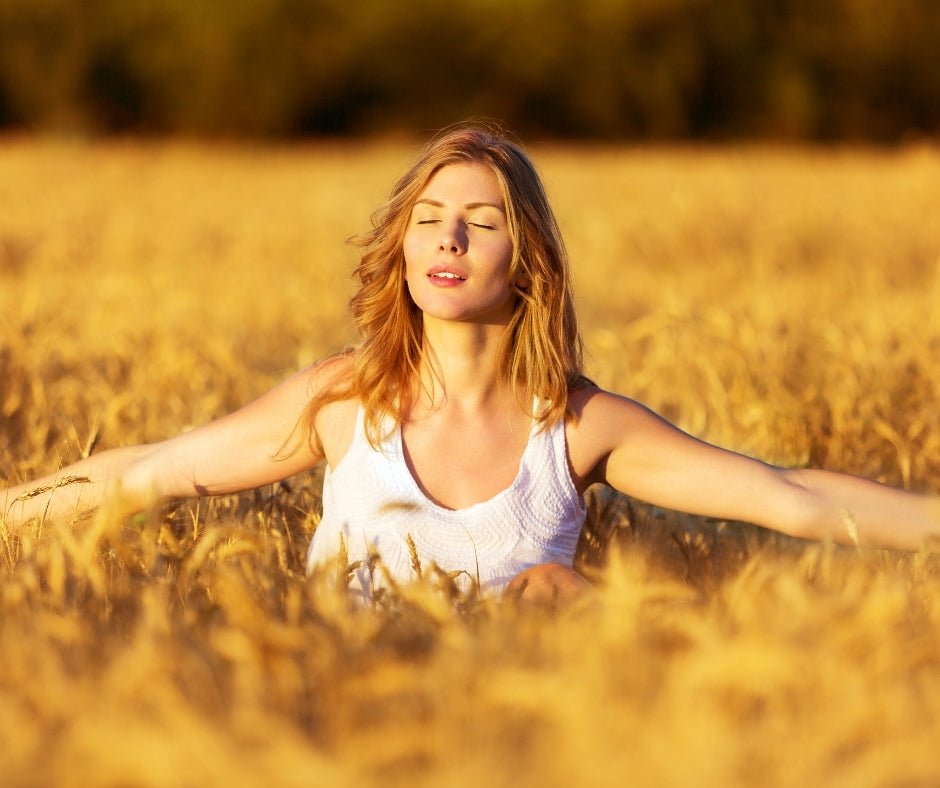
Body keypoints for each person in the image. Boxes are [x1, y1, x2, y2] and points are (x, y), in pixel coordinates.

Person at [2, 121, 939, 603]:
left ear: (524, 257)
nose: (449, 239)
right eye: (429, 220)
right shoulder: (345, 401)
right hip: (336, 737)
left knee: (555, 592)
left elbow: (796, 499)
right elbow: (150, 471)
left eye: (481, 224)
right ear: (403, 249)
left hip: (511, 752)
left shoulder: (576, 427)